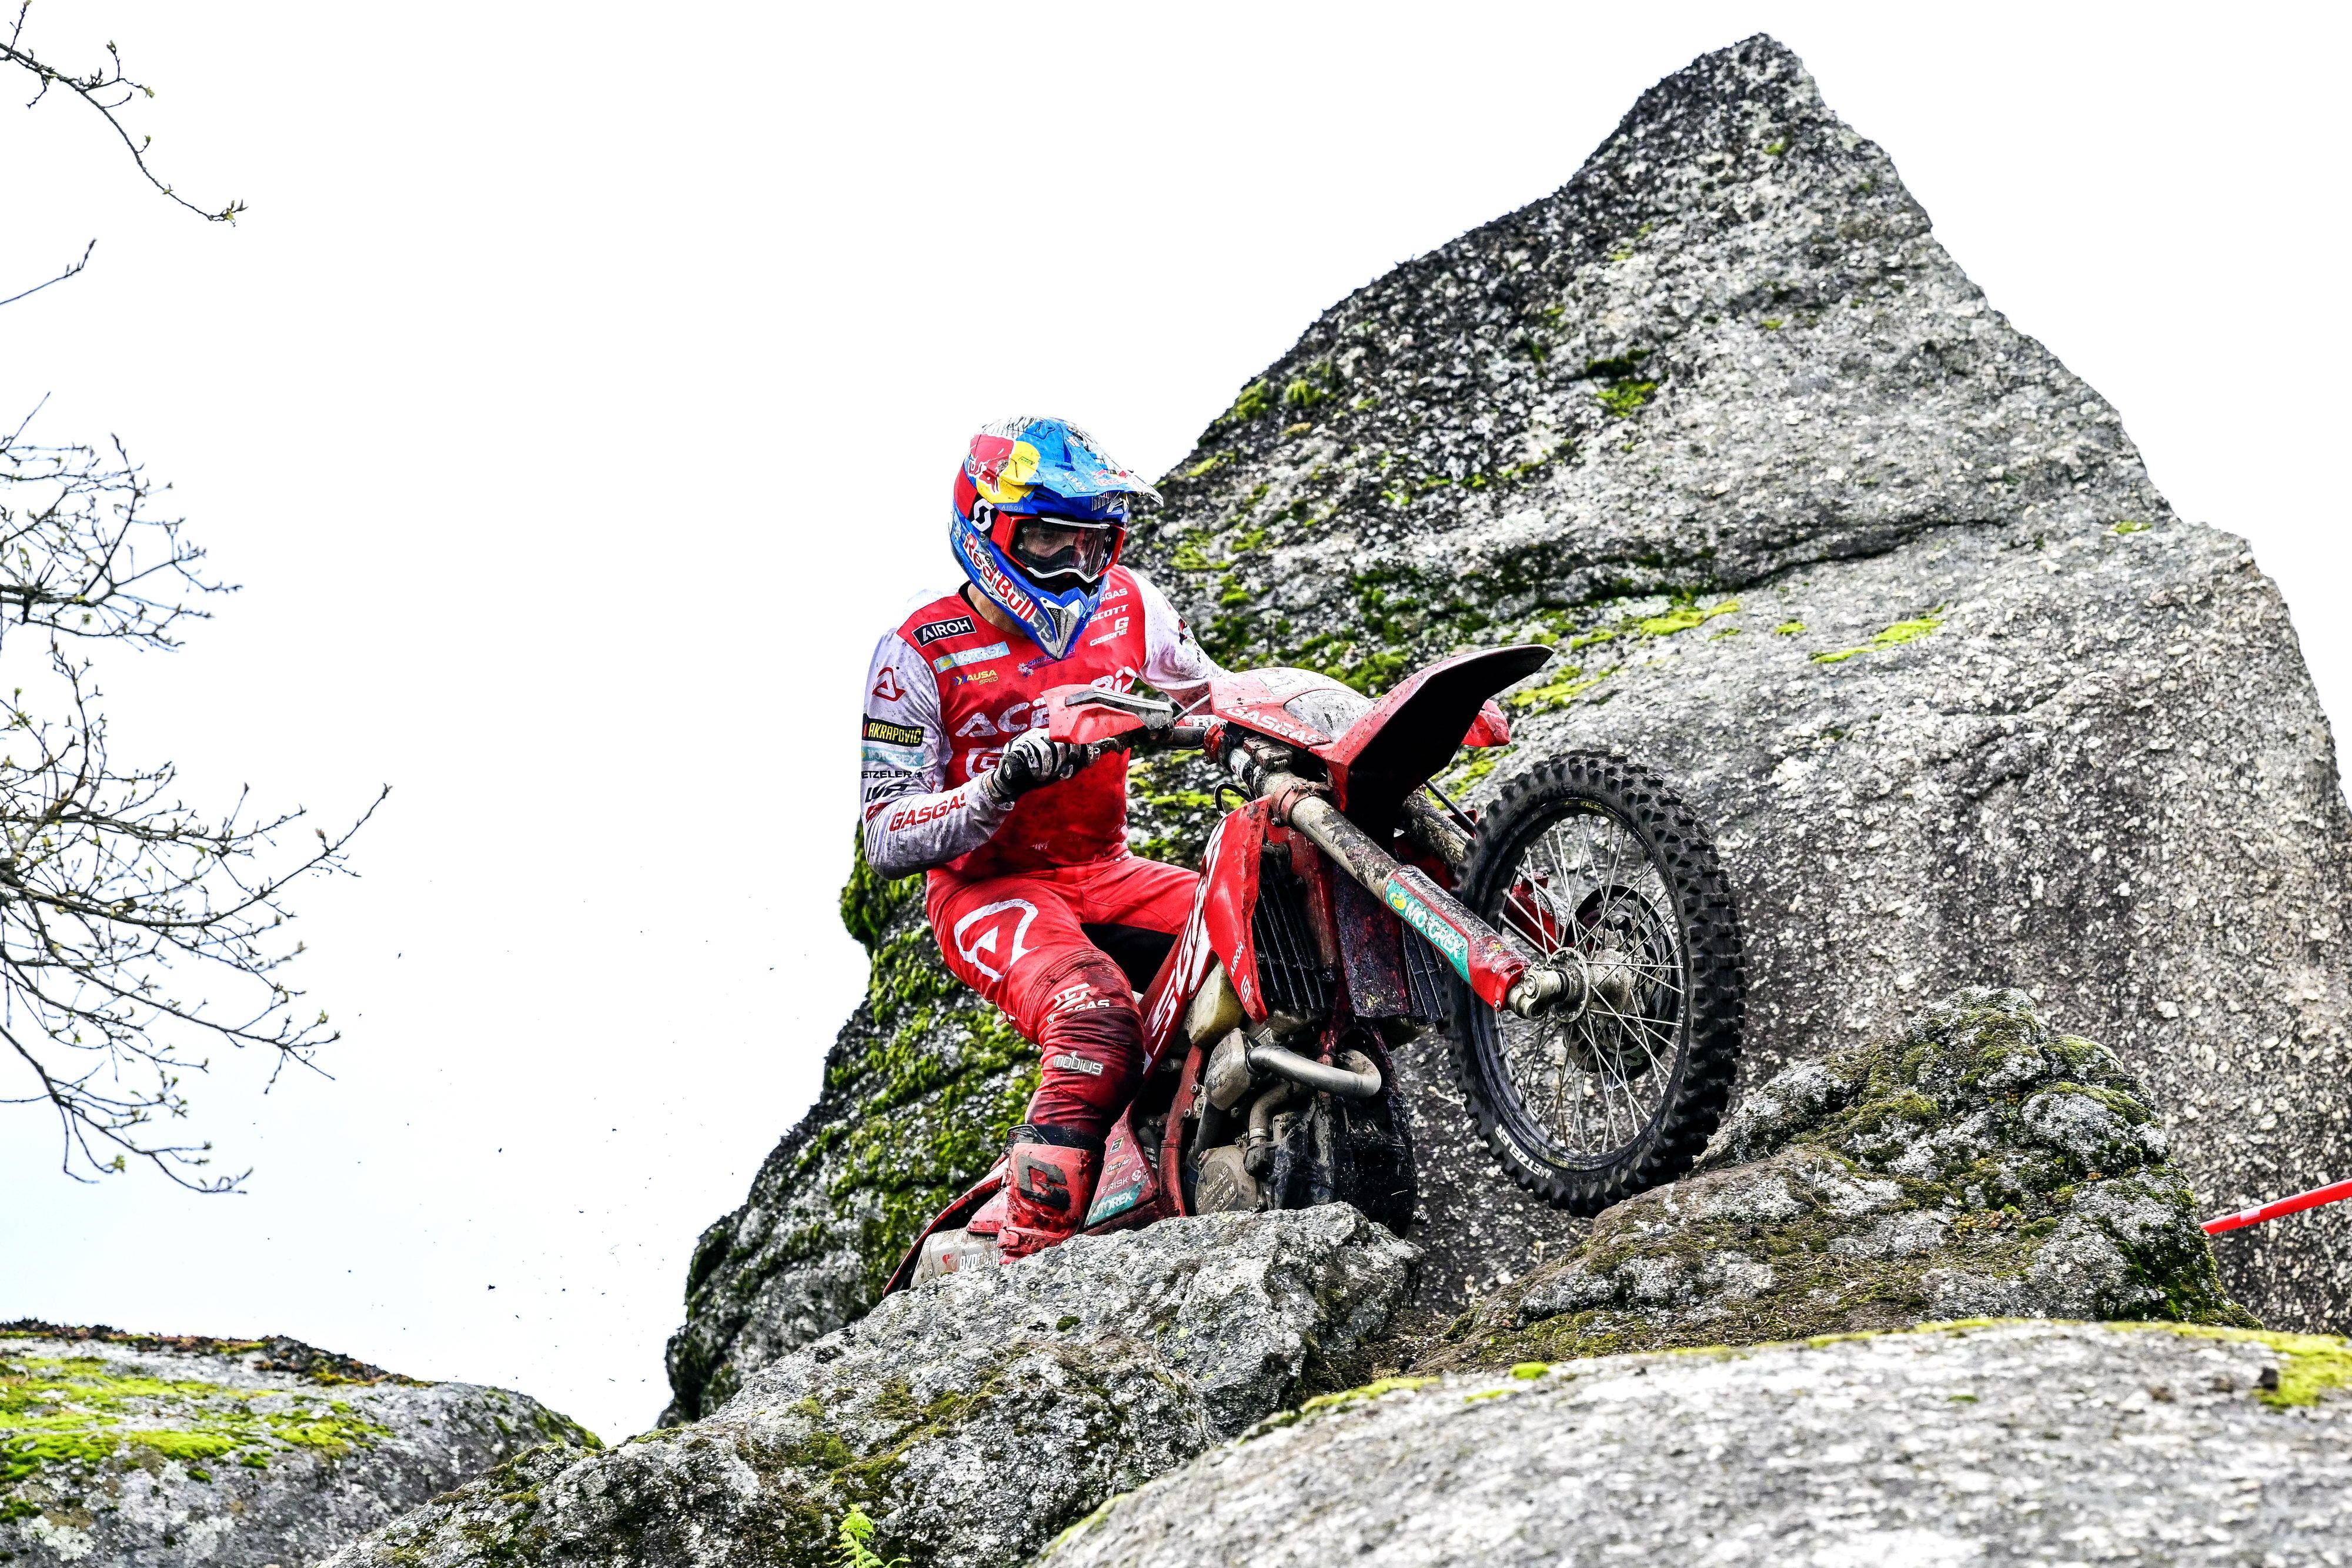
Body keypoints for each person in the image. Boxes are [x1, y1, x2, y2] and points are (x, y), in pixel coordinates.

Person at [857, 416, 1222, 1261]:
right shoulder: (916, 654)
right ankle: (1027, 1255)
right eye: (1052, 539)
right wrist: (998, 787)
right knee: (1096, 1018)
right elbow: (883, 834)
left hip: (1108, 870)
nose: (1075, 565)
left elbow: (1214, 696)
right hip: (987, 890)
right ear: (990, 528)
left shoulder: (1133, 604)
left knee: (1265, 921)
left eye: (1094, 543)